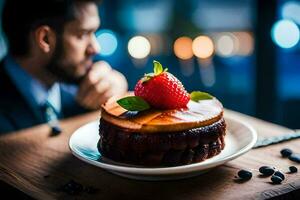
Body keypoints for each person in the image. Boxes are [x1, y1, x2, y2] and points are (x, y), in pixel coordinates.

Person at [0, 0, 128, 134]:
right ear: (45, 39)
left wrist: (117, 93)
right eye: (83, 34)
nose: (96, 48)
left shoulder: (76, 83)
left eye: (94, 33)